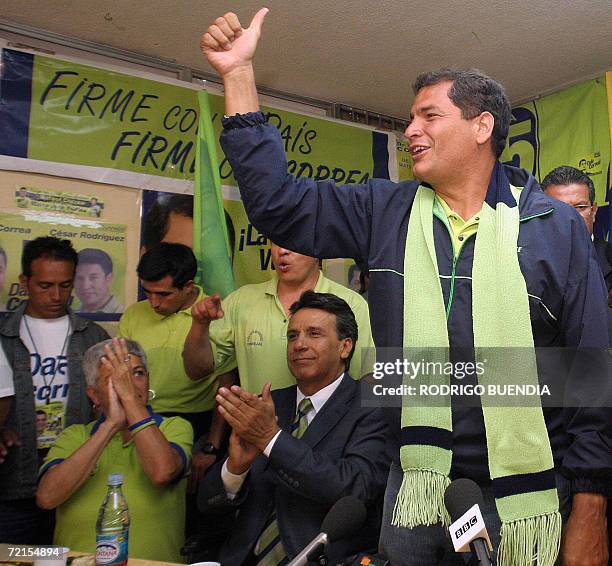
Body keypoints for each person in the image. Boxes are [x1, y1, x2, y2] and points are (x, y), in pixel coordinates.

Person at [200, 12, 610, 566]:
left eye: (428, 115)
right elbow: (279, 204)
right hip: (413, 486)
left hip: (524, 491)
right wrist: (238, 75)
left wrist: (591, 506)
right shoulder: (384, 212)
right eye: (409, 118)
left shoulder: (552, 228)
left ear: (482, 126)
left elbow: (591, 373)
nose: (410, 129)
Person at [198, 291, 390, 565]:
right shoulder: (269, 405)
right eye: (292, 336)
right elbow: (207, 506)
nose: (299, 344)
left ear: (345, 347)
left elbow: (352, 489)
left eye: (314, 334)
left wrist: (272, 440)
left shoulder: (372, 409)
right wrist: (234, 470)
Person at [37, 338, 192, 562]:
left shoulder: (173, 427)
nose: (128, 383)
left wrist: (129, 400)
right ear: (93, 394)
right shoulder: (75, 436)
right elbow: (47, 498)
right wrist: (110, 426)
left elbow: (162, 472)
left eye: (137, 373)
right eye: (116, 378)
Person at [0, 236, 109, 544]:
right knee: (15, 556)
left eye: (65, 285)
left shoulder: (93, 336)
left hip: (74, 471)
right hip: (15, 476)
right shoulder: (4, 336)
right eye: (45, 286)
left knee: (61, 557)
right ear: (24, 281)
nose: (57, 295)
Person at [118, 243, 235, 494]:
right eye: (147, 292)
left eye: (163, 294)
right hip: (139, 419)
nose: (153, 302)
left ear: (188, 287)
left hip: (195, 425)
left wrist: (211, 446)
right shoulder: (133, 315)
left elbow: (226, 385)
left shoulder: (216, 314)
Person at [183, 243, 375, 394]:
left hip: (331, 433)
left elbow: (370, 377)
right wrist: (199, 326)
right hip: (259, 433)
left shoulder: (352, 303)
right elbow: (196, 371)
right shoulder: (241, 300)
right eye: (277, 242)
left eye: (292, 242)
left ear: (317, 249)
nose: (282, 251)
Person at [541, 165, 612, 290]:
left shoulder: (609, 259)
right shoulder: (526, 264)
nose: (571, 217)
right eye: (558, 209)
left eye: (580, 207)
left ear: (594, 211)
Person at [74, 248, 124, 314]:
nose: (85, 286)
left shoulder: (126, 314)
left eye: (93, 278)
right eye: (79, 278)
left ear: (108, 278)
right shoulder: (71, 316)